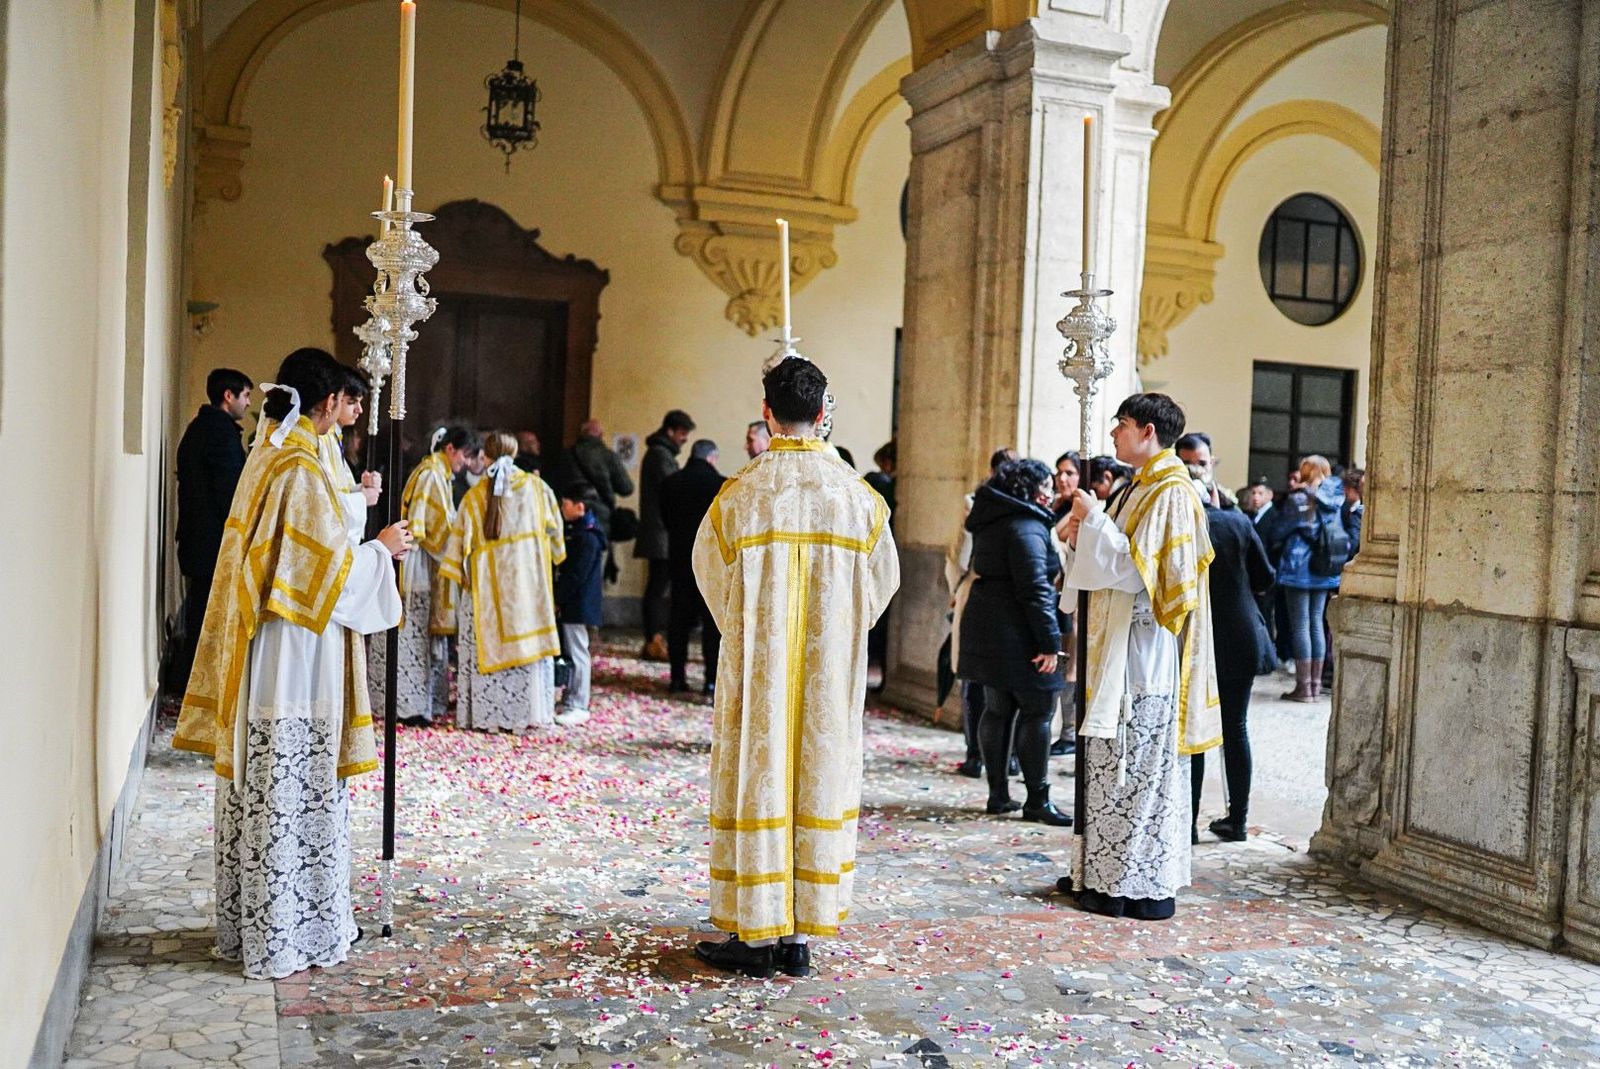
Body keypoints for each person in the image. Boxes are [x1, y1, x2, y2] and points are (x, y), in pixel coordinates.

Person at [173, 346, 411, 979]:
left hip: (278, 642)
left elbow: (316, 530)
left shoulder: (277, 451)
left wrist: (359, 515)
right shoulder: (299, 463)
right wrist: (381, 550)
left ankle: (270, 920)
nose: (354, 411)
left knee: (279, 781)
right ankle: (286, 931)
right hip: (295, 648)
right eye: (349, 400)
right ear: (329, 401)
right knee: (295, 781)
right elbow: (319, 572)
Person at [691, 357, 899, 979]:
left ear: (766, 411)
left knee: (760, 778)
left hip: (760, 675)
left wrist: (755, 634)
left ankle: (754, 936)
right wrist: (836, 636)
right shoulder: (860, 500)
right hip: (829, 677)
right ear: (823, 411)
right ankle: (800, 935)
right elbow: (882, 586)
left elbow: (712, 582)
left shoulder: (739, 496)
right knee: (819, 778)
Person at [1057, 392, 1220, 921]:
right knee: (1110, 771)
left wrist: (1096, 520)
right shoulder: (1138, 487)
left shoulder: (1172, 491)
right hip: (1116, 648)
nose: (1112, 434)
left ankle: (1139, 887)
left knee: (1137, 770)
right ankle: (1103, 877)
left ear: (1148, 430)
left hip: (1144, 651)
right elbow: (1108, 560)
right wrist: (1081, 534)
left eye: (1120, 425)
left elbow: (1140, 573)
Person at [959, 458, 1072, 825]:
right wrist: (1048, 641)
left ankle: (998, 794)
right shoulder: (1026, 526)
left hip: (991, 623)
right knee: (1038, 711)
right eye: (1048, 486)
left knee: (997, 708)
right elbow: (1035, 589)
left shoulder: (993, 516)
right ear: (1032, 489)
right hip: (1019, 630)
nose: (1051, 492)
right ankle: (1037, 800)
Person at [441, 432, 565, 734]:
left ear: (486, 457)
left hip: (487, 599)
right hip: (528, 591)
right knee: (528, 651)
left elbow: (456, 553)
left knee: (487, 647)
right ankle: (527, 714)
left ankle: (487, 716)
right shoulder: (538, 489)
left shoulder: (473, 498)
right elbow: (558, 542)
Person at [1185, 466, 1274, 843]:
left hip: (1195, 638)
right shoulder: (1236, 522)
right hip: (1239, 634)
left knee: (1192, 733)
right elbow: (1266, 577)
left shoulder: (1182, 526)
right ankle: (1237, 819)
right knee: (1235, 727)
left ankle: (1185, 824)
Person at [372, 423, 480, 726]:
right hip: (419, 566)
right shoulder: (432, 474)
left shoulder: (435, 472)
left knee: (419, 637)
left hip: (422, 561)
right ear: (450, 449)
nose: (466, 463)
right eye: (464, 456)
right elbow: (435, 529)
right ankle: (408, 706)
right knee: (413, 637)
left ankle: (419, 702)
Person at [173, 367, 253, 692]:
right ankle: (198, 684)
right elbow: (230, 492)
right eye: (245, 395)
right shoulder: (219, 434)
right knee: (208, 614)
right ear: (228, 396)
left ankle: (194, 682)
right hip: (212, 541)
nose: (248, 404)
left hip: (198, 538)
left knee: (201, 611)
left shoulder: (202, 427)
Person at [945, 447, 1019, 778]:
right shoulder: (1025, 506)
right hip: (1015, 598)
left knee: (975, 679)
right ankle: (1010, 756)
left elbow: (959, 555)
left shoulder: (976, 503)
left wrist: (955, 590)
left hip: (976, 589)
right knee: (1009, 682)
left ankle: (976, 753)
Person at [1275, 455, 1346, 702]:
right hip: (1325, 565)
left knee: (1300, 624)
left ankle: (1303, 688)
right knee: (1317, 622)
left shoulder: (1298, 499)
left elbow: (1280, 529)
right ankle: (1315, 687)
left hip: (1298, 565)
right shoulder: (1336, 499)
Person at [661, 439, 726, 696]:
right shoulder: (721, 486)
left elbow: (666, 520)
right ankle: (710, 681)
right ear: (712, 458)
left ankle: (677, 678)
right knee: (711, 624)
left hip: (678, 559)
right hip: (709, 562)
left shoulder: (670, 484)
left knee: (678, 620)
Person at [636, 410, 696, 660]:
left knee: (657, 586)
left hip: (658, 529)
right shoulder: (661, 456)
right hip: (660, 532)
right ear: (670, 431)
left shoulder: (659, 453)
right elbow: (673, 489)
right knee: (658, 588)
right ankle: (653, 639)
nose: (684, 440)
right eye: (682, 434)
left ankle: (654, 638)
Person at [554, 482, 606, 727]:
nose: (562, 508)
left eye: (566, 504)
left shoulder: (587, 537)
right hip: (576, 602)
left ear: (580, 507)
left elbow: (576, 575)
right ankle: (571, 699)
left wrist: (558, 598)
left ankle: (578, 703)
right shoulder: (580, 531)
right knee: (574, 651)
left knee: (577, 653)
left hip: (579, 603)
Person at [318, 368, 381, 545]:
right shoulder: (323, 438)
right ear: (333, 399)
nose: (359, 410)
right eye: (352, 402)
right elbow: (322, 500)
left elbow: (338, 488)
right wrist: (362, 499)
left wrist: (360, 488)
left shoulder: (333, 435)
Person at [1049, 452, 1082, 756]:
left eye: (1070, 473)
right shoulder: (1055, 506)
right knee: (1060, 664)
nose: (1062, 479)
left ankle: (1070, 732)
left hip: (1072, 599)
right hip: (1054, 598)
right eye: (1059, 472)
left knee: (1070, 667)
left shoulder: (1080, 511)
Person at [566, 419, 634, 539]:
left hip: (570, 514)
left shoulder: (567, 455)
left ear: (581, 434)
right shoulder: (608, 456)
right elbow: (626, 488)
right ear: (601, 435)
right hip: (601, 516)